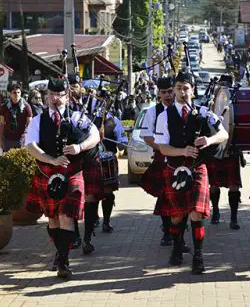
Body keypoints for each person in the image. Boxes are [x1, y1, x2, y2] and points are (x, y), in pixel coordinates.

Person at [24, 78, 100, 278]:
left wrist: (79, 147)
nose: (54, 98)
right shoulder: (38, 120)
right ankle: (59, 252)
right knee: (53, 219)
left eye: (58, 95)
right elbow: (31, 146)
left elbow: (95, 136)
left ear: (67, 96)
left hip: (72, 172)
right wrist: (51, 159)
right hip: (47, 173)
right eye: (51, 94)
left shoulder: (77, 117)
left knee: (66, 216)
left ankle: (64, 262)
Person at [154, 72, 229, 274]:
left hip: (197, 168)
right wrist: (182, 151)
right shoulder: (164, 116)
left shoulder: (204, 112)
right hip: (175, 168)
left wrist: (208, 140)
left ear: (193, 90)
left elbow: (224, 133)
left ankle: (198, 255)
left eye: (186, 88)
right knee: (177, 216)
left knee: (196, 213)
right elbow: (162, 148)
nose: (181, 91)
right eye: (178, 88)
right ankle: (178, 248)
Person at [81, 93, 128, 255]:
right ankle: (87, 237)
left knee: (108, 194)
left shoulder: (114, 121)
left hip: (107, 161)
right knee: (91, 197)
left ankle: (106, 221)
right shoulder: (84, 120)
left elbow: (122, 145)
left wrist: (120, 145)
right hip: (91, 162)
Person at [139, 77, 177, 246]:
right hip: (162, 158)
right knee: (164, 195)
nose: (168, 95)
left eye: (170, 91)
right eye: (164, 92)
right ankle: (167, 231)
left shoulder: (184, 109)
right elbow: (147, 137)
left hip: (183, 158)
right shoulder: (152, 112)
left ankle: (178, 229)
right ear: (158, 94)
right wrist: (163, 147)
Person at [206, 75, 243, 230]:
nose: (223, 87)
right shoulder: (211, 101)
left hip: (232, 149)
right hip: (215, 149)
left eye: (226, 85)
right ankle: (215, 212)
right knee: (214, 185)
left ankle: (234, 217)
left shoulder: (236, 102)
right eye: (221, 84)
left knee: (234, 186)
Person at [0, 83, 32, 152]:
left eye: (18, 92)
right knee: (6, 161)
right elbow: (2, 124)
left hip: (21, 139)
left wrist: (29, 139)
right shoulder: (4, 107)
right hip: (7, 139)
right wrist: (0, 139)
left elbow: (30, 124)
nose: (17, 94)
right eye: (14, 92)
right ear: (10, 94)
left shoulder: (26, 107)